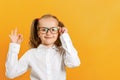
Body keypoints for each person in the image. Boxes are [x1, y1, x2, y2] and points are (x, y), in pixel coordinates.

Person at [5, 14, 80, 80]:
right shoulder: (31, 54)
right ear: (38, 33)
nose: (48, 33)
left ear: (58, 32)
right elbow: (11, 73)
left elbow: (74, 63)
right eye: (44, 29)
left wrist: (65, 36)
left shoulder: (63, 52)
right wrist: (14, 46)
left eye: (53, 29)